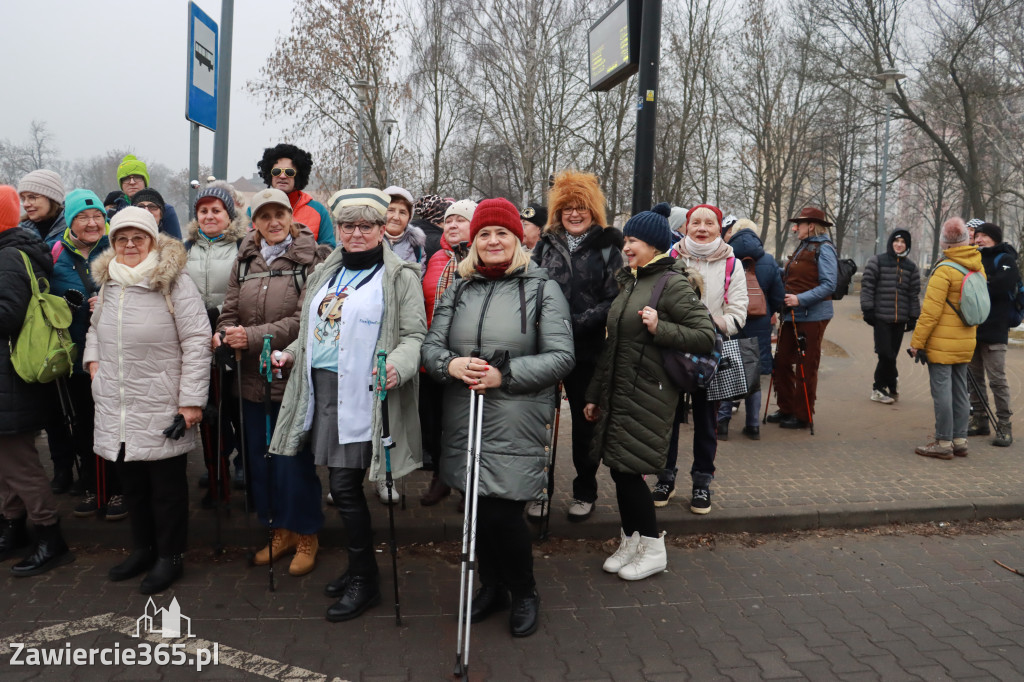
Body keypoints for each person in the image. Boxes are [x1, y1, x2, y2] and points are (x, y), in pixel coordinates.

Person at [269, 187, 426, 623]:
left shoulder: (399, 277)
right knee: (339, 486)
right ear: (336, 229)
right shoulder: (325, 272)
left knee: (344, 489)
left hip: (362, 392)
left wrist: (397, 365)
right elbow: (313, 331)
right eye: (348, 225)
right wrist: (291, 353)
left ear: (382, 229)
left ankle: (365, 581)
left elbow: (416, 337)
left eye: (366, 225)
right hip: (318, 390)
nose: (356, 234)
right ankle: (361, 569)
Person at [422, 197, 574, 636]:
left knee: (504, 513)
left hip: (516, 418)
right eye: (484, 233)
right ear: (473, 242)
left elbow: (562, 357)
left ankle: (524, 590)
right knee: (475, 509)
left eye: (501, 233)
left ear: (517, 240)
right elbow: (432, 347)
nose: (492, 240)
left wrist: (502, 375)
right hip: (464, 414)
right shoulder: (458, 289)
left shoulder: (543, 288)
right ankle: (492, 586)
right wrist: (449, 365)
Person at [583, 203, 715, 580]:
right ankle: (632, 540)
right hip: (619, 392)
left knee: (630, 471)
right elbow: (612, 345)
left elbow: (706, 335)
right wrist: (594, 394)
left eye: (634, 240)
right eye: (625, 239)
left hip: (648, 395)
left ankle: (654, 547)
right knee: (619, 470)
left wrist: (662, 328)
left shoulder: (669, 283)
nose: (626, 246)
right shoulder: (631, 281)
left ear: (656, 245)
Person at [85, 207, 211, 593]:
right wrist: (93, 364)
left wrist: (191, 402)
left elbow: (196, 341)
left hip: (162, 401)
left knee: (166, 488)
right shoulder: (110, 282)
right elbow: (95, 328)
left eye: (138, 238)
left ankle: (169, 557)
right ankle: (143, 549)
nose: (129, 245)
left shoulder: (173, 282)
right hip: (118, 402)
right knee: (132, 483)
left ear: (152, 241)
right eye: (121, 239)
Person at [214, 188, 326, 577]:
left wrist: (254, 335)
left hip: (291, 378)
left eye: (280, 214)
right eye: (265, 216)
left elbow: (305, 320)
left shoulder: (311, 260)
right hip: (249, 380)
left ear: (291, 217)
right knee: (261, 462)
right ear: (254, 222)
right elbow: (229, 310)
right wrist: (224, 333)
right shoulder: (244, 260)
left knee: (293, 461)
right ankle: (280, 531)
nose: (273, 222)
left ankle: (307, 532)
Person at [531, 170, 623, 522]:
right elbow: (532, 287)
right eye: (567, 207)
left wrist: (579, 322)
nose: (574, 213)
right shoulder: (545, 243)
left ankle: (585, 490)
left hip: (587, 349)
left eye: (581, 207)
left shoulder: (607, 246)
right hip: (546, 348)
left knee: (586, 422)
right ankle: (539, 490)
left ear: (593, 210)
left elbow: (613, 298)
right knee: (540, 421)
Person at [0, 184, 75, 577]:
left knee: (20, 461)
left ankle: (50, 535)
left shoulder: (9, 256)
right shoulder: (9, 251)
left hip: (11, 377)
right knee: (5, 462)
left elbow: (9, 314)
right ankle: (14, 527)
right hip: (7, 376)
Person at [654, 204, 746, 513]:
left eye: (709, 223)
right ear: (686, 226)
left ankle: (702, 481)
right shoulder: (670, 259)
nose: (702, 228)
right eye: (696, 222)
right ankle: (665, 477)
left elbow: (738, 313)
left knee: (708, 421)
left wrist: (706, 325)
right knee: (668, 418)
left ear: (720, 228)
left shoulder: (732, 263)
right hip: (673, 349)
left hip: (712, 353)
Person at [50, 189, 128, 521]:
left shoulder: (118, 249)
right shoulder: (55, 254)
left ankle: (121, 488)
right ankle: (94, 486)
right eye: (83, 217)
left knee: (117, 423)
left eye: (97, 215)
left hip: (116, 354)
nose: (92, 222)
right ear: (70, 222)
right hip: (77, 354)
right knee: (85, 423)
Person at [184, 182, 249, 499]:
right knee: (211, 416)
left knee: (238, 411)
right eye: (203, 211)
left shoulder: (244, 248)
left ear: (229, 214)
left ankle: (245, 466)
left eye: (216, 210)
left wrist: (219, 314)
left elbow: (248, 294)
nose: (210, 216)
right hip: (197, 345)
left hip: (233, 343)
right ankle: (216, 474)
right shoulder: (185, 250)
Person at [909, 217, 984, 458]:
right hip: (966, 339)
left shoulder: (944, 270)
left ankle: (942, 443)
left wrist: (916, 343)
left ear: (945, 242)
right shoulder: (977, 266)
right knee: (960, 389)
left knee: (941, 391)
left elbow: (930, 313)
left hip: (941, 342)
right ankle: (960, 440)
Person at [420, 199, 477, 507]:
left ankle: (468, 485)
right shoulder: (435, 256)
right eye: (449, 220)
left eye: (461, 220)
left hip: (465, 356)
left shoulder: (482, 257)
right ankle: (441, 477)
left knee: (462, 425)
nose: (453, 225)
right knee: (432, 423)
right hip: (431, 355)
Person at [766, 206, 837, 430]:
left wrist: (800, 299)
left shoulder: (824, 249)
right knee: (783, 360)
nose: (795, 227)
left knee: (807, 364)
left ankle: (803, 414)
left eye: (800, 224)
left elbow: (829, 285)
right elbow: (792, 276)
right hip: (792, 315)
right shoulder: (802, 247)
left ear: (811, 226)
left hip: (813, 316)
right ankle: (786, 407)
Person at [719, 219, 785, 439]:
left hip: (731, 320)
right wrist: (766, 313)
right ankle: (753, 425)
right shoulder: (767, 260)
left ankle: (722, 423)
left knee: (728, 368)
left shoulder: (726, 257)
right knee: (753, 372)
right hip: (759, 324)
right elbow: (777, 297)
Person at [967, 222, 1018, 446]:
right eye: (977, 236)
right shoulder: (972, 257)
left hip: (995, 329)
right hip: (972, 327)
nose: (979, 240)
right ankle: (980, 420)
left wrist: (978, 284)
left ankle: (1004, 425)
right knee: (974, 379)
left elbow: (1003, 283)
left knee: (997, 380)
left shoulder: (1005, 259)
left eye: (984, 236)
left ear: (995, 238)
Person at [860, 229, 921, 405]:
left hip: (900, 319)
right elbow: (868, 286)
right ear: (891, 242)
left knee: (891, 354)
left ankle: (891, 382)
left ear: (907, 245)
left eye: (903, 242)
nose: (899, 244)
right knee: (885, 353)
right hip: (881, 317)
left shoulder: (911, 267)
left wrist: (913, 316)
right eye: (897, 241)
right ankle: (878, 388)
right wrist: (868, 309)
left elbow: (913, 294)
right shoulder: (877, 261)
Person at [256, 143, 335, 248]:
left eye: (289, 172)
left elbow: (328, 252)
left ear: (298, 176)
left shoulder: (318, 211)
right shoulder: (254, 209)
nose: (283, 176)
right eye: (276, 171)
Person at [107, 155, 182, 239]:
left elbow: (177, 246)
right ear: (121, 183)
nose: (132, 182)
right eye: (126, 178)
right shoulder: (112, 213)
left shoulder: (166, 210)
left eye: (137, 177)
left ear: (145, 181)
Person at [17, 169, 67, 243]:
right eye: (23, 199)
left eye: (32, 197)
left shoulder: (74, 231)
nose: (25, 204)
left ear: (51, 198)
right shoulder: (18, 232)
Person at [382, 186, 425, 266]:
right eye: (391, 210)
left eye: (402, 212)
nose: (396, 217)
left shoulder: (416, 246)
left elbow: (419, 275)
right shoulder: (368, 240)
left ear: (409, 217)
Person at [412, 194, 451, 264]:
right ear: (438, 220)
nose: (452, 224)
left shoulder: (411, 233)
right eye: (448, 220)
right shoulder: (440, 242)